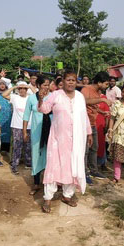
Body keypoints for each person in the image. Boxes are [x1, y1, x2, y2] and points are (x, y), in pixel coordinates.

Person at [38, 70, 92, 213]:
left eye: (73, 80)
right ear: (63, 81)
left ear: (76, 82)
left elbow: (84, 116)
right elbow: (44, 110)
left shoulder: (80, 97)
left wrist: (89, 133)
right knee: (54, 167)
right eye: (68, 80)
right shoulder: (55, 95)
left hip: (76, 141)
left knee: (72, 167)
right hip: (57, 140)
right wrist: (40, 99)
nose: (71, 82)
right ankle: (48, 198)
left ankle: (67, 196)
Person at [23, 75, 51, 195]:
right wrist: (24, 131)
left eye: (48, 84)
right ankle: (36, 183)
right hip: (36, 132)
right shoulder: (31, 99)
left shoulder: (52, 97)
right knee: (36, 156)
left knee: (49, 156)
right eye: (44, 85)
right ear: (38, 86)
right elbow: (26, 116)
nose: (47, 87)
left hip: (51, 132)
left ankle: (48, 182)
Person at [81, 72, 111, 180]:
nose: (107, 86)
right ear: (99, 83)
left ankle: (94, 170)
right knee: (85, 150)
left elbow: (93, 106)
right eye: (106, 84)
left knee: (94, 147)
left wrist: (102, 112)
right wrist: (102, 99)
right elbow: (85, 101)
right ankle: (84, 173)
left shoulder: (98, 91)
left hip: (92, 123)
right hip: (85, 124)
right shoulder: (86, 89)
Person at [3, 81, 32, 175]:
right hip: (17, 126)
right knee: (17, 146)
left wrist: (29, 86)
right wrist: (14, 87)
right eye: (20, 89)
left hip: (29, 125)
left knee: (28, 146)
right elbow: (4, 94)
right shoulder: (15, 97)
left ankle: (28, 163)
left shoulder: (30, 98)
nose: (22, 90)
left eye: (24, 89)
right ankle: (14, 165)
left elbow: (38, 95)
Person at [0, 75, 13, 154]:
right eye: (0, 84)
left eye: (3, 84)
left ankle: (6, 149)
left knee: (7, 132)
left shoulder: (9, 93)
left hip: (8, 116)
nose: (2, 85)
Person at [96, 92, 110, 171]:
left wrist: (107, 125)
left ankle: (102, 163)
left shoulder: (104, 98)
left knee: (101, 144)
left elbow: (107, 113)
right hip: (91, 124)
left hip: (101, 124)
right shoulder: (90, 97)